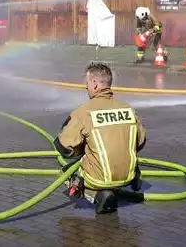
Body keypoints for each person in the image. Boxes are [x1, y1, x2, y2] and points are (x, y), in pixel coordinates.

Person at [54, 62, 146, 214]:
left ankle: (98, 195)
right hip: (127, 175)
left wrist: (82, 149)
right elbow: (140, 142)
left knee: (65, 173)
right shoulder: (128, 109)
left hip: (98, 179)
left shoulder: (83, 112)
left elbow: (64, 147)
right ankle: (132, 179)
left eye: (87, 84)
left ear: (95, 85)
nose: (86, 88)